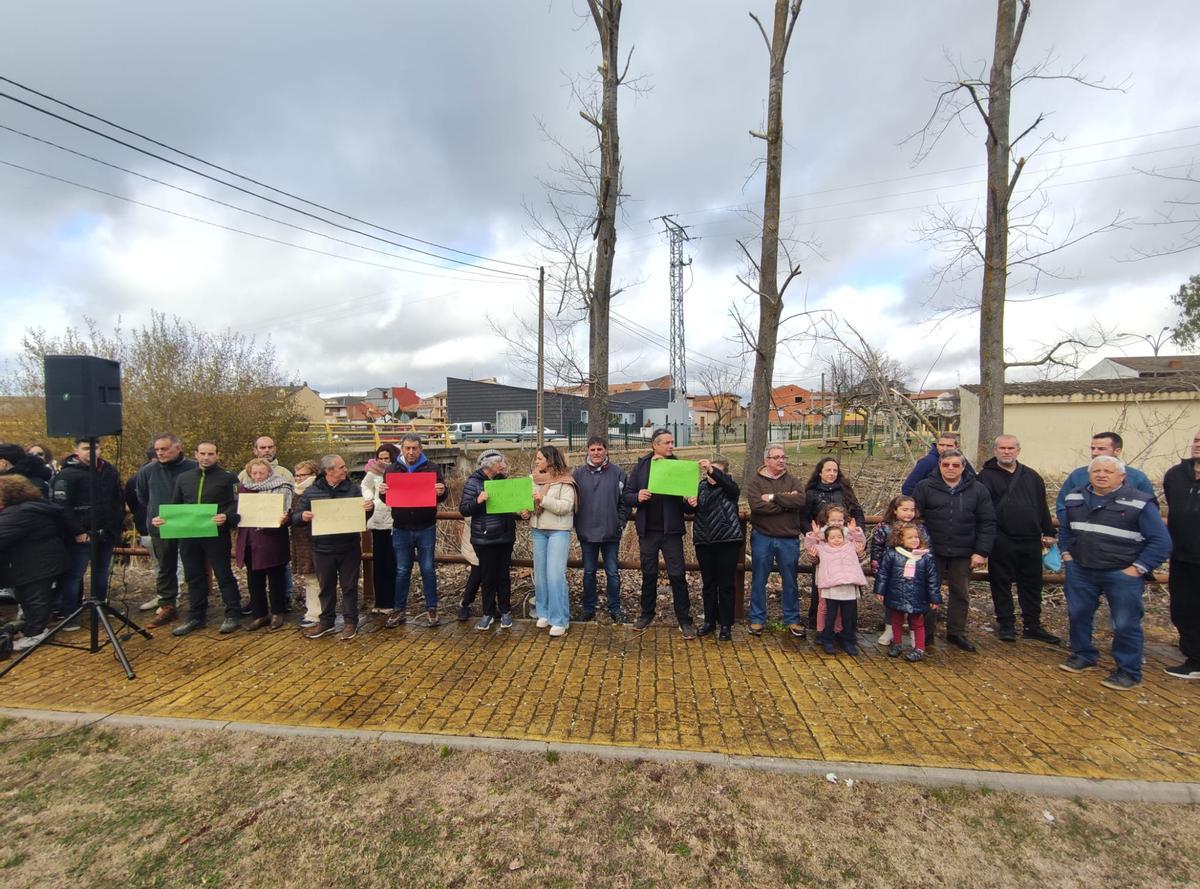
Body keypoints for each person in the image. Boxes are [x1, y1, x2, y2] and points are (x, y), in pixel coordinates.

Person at [1059, 455, 1171, 690]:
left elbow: (1161, 541)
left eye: (1108, 471)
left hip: (1121, 572)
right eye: (1096, 470)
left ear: (1122, 476)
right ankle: (1083, 655)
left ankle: (1128, 671)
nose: (1101, 475)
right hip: (1081, 568)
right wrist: (1067, 554)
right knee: (1078, 614)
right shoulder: (1074, 497)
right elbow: (1066, 529)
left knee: (1124, 623)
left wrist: (1137, 568)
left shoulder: (1139, 502)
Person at [978, 434, 1060, 644]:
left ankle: (1032, 625)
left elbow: (1042, 507)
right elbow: (981, 511)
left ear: (1018, 450)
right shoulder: (985, 477)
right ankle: (1006, 624)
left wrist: (1048, 531)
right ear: (995, 451)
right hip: (1001, 539)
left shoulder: (1032, 476)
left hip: (1031, 539)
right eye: (1002, 448)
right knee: (1001, 583)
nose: (1007, 452)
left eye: (1011, 448)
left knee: (1032, 584)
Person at [913, 448, 996, 652]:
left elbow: (987, 522)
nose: (951, 469)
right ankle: (926, 632)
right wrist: (917, 545)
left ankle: (956, 632)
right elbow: (914, 519)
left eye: (956, 465)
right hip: (931, 550)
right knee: (928, 592)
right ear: (939, 465)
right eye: (946, 464)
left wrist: (981, 551)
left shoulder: (977, 489)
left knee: (961, 593)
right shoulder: (925, 487)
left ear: (963, 466)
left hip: (964, 550)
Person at [158, 441, 242, 637]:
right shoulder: (183, 478)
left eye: (211, 454)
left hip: (215, 533)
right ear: (195, 454)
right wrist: (164, 519)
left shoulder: (228, 478)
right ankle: (196, 616)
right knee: (194, 576)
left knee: (223, 573)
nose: (206, 457)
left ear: (217, 455)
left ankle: (232, 613)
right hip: (189, 534)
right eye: (202, 453)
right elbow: (175, 505)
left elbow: (236, 504)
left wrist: (226, 517)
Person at [623, 429, 698, 637]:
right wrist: (637, 496)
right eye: (666, 442)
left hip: (671, 531)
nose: (671, 445)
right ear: (654, 445)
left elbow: (687, 506)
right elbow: (626, 496)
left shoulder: (679, 467)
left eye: (672, 442)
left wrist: (691, 502)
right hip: (648, 531)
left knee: (677, 575)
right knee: (649, 574)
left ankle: (684, 619)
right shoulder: (641, 467)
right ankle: (647, 614)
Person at [292, 454, 373, 640]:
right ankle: (326, 622)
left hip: (348, 547)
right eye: (341, 467)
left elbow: (362, 518)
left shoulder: (353, 489)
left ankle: (350, 622)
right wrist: (302, 517)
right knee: (326, 587)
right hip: (322, 549)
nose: (345, 470)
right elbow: (296, 518)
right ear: (329, 471)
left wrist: (369, 510)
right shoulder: (312, 492)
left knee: (349, 587)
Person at [50, 438, 123, 628]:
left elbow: (117, 499)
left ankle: (100, 607)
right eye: (86, 448)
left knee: (101, 572)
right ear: (76, 450)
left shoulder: (109, 470)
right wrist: (77, 531)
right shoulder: (67, 474)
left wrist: (116, 526)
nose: (92, 451)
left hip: (106, 533)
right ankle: (69, 614)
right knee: (75, 574)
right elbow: (61, 507)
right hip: (82, 534)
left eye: (95, 447)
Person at [381, 434, 448, 628]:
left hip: (425, 526)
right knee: (402, 570)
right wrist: (382, 492)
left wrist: (442, 491)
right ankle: (399, 609)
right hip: (401, 527)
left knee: (428, 569)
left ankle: (432, 608)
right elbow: (388, 500)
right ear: (401, 449)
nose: (411, 452)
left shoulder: (432, 468)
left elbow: (442, 494)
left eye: (415, 448)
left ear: (420, 449)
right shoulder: (392, 469)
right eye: (407, 448)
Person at [744, 444, 807, 637]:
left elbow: (800, 502)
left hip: (788, 539)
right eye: (776, 457)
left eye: (783, 457)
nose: (781, 460)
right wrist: (785, 503)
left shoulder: (793, 481)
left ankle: (792, 619)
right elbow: (757, 506)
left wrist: (772, 497)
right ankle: (757, 619)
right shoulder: (755, 482)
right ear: (767, 461)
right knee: (759, 579)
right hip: (763, 536)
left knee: (790, 580)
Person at [136, 433, 198, 629]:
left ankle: (198, 607)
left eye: (164, 449)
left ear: (178, 448)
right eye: (157, 449)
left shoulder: (193, 467)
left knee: (194, 565)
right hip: (160, 525)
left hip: (189, 523)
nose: (160, 453)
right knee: (165, 567)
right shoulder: (148, 471)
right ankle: (167, 606)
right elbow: (143, 497)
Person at [0, 476, 68, 651]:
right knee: (27, 597)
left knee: (35, 599)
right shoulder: (31, 508)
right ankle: (32, 629)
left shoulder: (19, 513)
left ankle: (36, 633)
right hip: (34, 561)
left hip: (36, 563)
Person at [572, 436, 630, 623]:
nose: (596, 453)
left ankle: (615, 607)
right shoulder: (578, 475)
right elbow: (571, 502)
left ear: (606, 450)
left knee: (612, 572)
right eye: (593, 449)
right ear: (587, 451)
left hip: (611, 533)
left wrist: (620, 523)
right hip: (587, 533)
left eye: (599, 449)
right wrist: (577, 524)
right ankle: (588, 608)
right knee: (589, 572)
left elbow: (625, 502)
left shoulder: (619, 474)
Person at [460, 451, 517, 631]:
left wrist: (521, 510)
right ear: (488, 465)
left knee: (503, 576)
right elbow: (464, 509)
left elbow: (512, 504)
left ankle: (505, 611)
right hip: (484, 538)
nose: (503, 465)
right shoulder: (473, 482)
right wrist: (478, 500)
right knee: (487, 577)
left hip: (505, 536)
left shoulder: (504, 482)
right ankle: (488, 613)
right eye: (499, 462)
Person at [235, 458, 293, 631]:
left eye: (262, 472)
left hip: (272, 537)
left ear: (269, 472)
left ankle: (277, 612)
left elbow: (288, 512)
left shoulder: (282, 487)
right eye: (255, 473)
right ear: (249, 473)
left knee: (276, 577)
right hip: (250, 539)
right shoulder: (244, 488)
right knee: (254, 579)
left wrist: (284, 518)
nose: (258, 476)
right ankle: (259, 614)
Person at [873, 522, 941, 662]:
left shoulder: (925, 557)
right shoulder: (892, 554)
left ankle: (919, 648)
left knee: (917, 623)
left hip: (918, 595)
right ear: (900, 539)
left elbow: (933, 579)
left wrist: (934, 598)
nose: (914, 540)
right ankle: (897, 643)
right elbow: (883, 574)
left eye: (916, 537)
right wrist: (880, 590)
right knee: (896, 620)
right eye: (910, 538)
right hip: (896, 593)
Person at [1162, 430, 1200, 679]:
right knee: (1183, 609)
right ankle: (1194, 658)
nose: (1198, 445)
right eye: (1197, 440)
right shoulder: (1175, 475)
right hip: (1183, 556)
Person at [1054, 431, 1156, 522]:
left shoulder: (1137, 478)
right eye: (1093, 448)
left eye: (1101, 449)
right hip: (1081, 537)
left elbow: (1149, 512)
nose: (1095, 453)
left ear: (1117, 451)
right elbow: (1062, 507)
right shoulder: (1078, 475)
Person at [693, 457, 742, 642]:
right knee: (709, 584)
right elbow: (689, 510)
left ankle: (726, 625)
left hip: (727, 540)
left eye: (716, 471)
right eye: (710, 471)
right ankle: (709, 621)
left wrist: (714, 471)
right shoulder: (700, 487)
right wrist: (688, 503)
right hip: (704, 541)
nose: (711, 474)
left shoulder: (729, 487)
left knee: (726, 585)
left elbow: (731, 489)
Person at [530, 445, 577, 638]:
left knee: (555, 574)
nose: (536, 461)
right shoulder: (534, 479)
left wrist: (543, 500)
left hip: (558, 531)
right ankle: (544, 612)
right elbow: (527, 502)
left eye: (540, 458)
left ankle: (560, 620)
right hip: (538, 529)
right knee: (540, 573)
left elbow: (566, 507)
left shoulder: (565, 481)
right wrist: (524, 511)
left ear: (550, 459)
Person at [870, 495, 926, 646]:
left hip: (915, 573)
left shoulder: (920, 528)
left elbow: (926, 548)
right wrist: (878, 570)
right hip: (892, 573)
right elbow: (876, 549)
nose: (909, 513)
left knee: (915, 604)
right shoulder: (884, 527)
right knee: (892, 603)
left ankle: (916, 635)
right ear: (895, 510)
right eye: (904, 509)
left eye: (912, 510)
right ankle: (890, 630)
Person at [804, 524, 867, 656]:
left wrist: (854, 532)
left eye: (839, 536)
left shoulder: (849, 546)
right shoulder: (823, 548)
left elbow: (860, 542)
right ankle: (827, 639)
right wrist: (815, 535)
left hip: (848, 586)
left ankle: (848, 640)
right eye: (832, 537)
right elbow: (810, 547)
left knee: (847, 616)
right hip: (831, 587)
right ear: (826, 539)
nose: (837, 539)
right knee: (830, 615)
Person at [360, 443, 399, 617]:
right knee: (379, 562)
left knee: (392, 563)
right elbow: (365, 486)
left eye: (387, 458)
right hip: (377, 520)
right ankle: (379, 600)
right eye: (381, 458)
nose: (384, 461)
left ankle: (391, 601)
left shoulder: (399, 471)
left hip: (394, 520)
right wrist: (371, 499)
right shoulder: (373, 472)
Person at [290, 460, 321, 627]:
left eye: (303, 475)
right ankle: (313, 609)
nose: (299, 478)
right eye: (297, 475)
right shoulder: (296, 492)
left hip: (313, 538)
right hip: (300, 539)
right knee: (309, 576)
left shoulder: (314, 491)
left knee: (315, 577)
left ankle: (315, 612)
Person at [901, 431, 974, 496]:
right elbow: (908, 488)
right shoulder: (927, 462)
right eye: (941, 445)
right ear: (937, 445)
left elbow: (973, 480)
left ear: (956, 447)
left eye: (949, 446)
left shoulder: (961, 461)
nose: (944, 449)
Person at [804, 457, 865, 527]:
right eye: (828, 470)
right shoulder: (811, 493)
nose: (832, 473)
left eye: (835, 471)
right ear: (820, 472)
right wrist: (813, 534)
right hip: (820, 534)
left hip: (846, 534)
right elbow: (804, 518)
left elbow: (857, 513)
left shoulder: (845, 490)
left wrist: (857, 531)